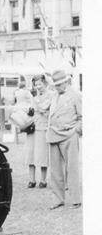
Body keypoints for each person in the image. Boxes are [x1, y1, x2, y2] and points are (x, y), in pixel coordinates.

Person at [46, 70, 82, 209]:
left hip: (69, 135)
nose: (57, 87)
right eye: (55, 85)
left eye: (59, 84)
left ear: (66, 82)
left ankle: (75, 199)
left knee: (72, 168)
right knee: (55, 170)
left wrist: (76, 131)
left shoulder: (75, 95)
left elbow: (82, 117)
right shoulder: (54, 96)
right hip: (54, 134)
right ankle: (58, 198)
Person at [11, 85, 37, 187]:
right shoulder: (22, 106)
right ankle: (33, 179)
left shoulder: (29, 104)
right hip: (31, 132)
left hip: (36, 131)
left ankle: (35, 179)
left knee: (36, 156)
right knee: (31, 156)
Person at [31, 75, 54, 188]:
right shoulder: (36, 97)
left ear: (45, 83)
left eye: (40, 84)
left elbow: (45, 109)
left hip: (47, 128)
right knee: (38, 154)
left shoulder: (51, 95)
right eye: (36, 85)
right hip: (37, 127)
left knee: (45, 154)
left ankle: (44, 180)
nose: (38, 87)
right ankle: (39, 179)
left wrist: (39, 109)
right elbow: (36, 110)